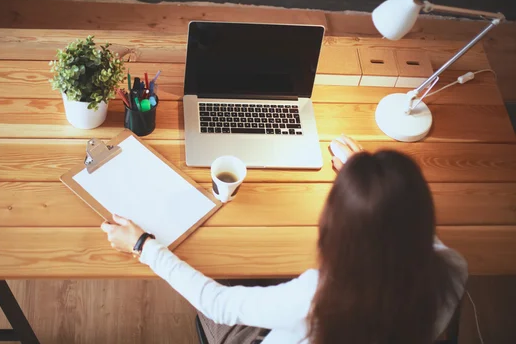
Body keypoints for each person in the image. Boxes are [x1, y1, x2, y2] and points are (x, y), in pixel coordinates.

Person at [101, 136, 467, 344]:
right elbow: (408, 221)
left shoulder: (320, 295)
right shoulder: (451, 269)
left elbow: (217, 303)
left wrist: (142, 245)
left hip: (268, 334)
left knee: (217, 263)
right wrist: (369, 177)